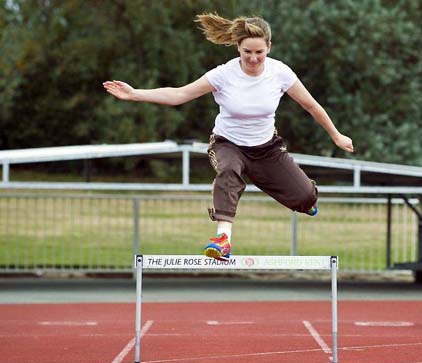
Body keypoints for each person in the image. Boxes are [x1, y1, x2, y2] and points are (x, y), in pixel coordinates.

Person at [103, 13, 354, 261]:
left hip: (267, 149)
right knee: (229, 170)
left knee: (305, 197)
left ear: (269, 47)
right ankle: (223, 238)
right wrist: (136, 94)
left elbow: (312, 106)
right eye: (247, 52)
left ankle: (306, 199)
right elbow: (179, 95)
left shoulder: (281, 73)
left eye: (259, 52)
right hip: (228, 144)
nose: (253, 59)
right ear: (238, 48)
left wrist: (336, 135)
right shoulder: (223, 74)